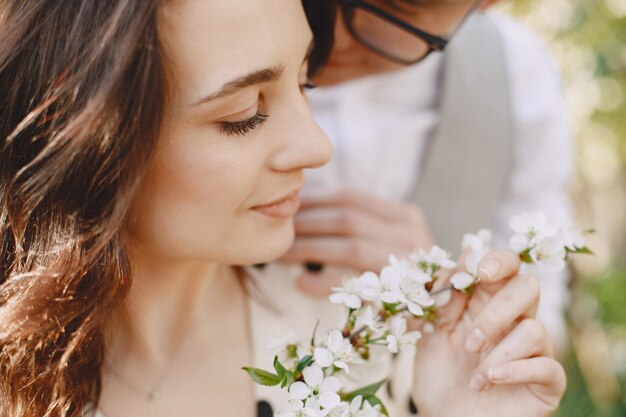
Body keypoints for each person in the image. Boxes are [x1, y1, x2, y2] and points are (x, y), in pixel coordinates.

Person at [0, 1, 563, 417]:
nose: (319, 147)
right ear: (77, 129)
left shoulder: (360, 345)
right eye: (243, 114)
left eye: (305, 83)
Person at [277, 0, 573, 352]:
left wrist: (445, 293)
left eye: (396, 8)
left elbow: (540, 325)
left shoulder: (518, 77)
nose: (333, 33)